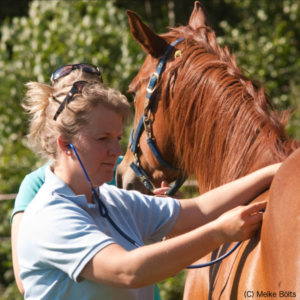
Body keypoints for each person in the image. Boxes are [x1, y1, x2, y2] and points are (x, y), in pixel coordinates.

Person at [14, 63, 279, 300]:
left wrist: (275, 171)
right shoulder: (48, 216)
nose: (117, 151)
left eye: (117, 138)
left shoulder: (112, 200)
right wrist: (219, 232)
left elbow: (197, 210)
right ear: (65, 144)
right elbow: (127, 271)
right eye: (102, 139)